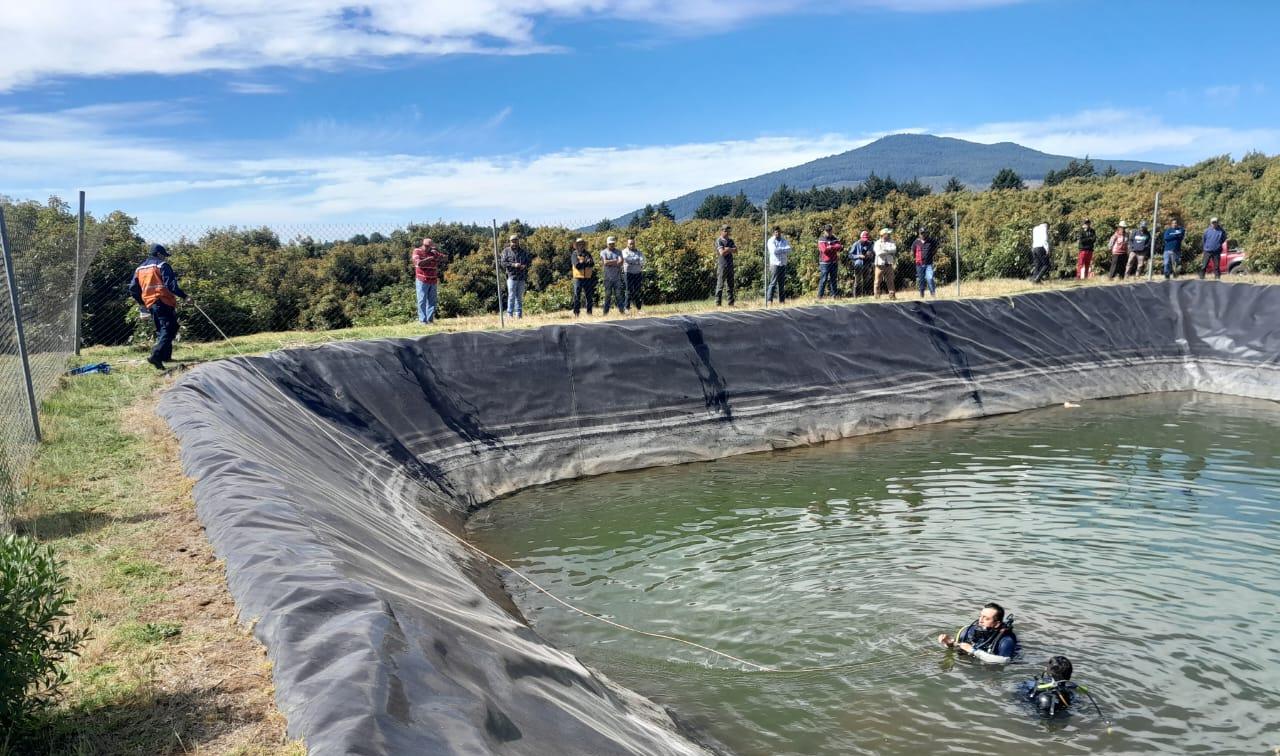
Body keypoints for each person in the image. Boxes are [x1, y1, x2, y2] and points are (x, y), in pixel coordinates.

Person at [128, 243, 189, 370]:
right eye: (164, 255)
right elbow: (171, 285)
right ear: (159, 254)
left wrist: (142, 303)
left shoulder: (139, 269)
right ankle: (156, 355)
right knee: (169, 328)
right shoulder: (162, 265)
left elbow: (133, 288)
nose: (165, 258)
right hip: (163, 300)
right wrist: (185, 297)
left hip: (150, 302)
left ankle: (166, 356)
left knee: (163, 328)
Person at [937, 602, 1019, 663]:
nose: (980, 620)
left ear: (997, 624)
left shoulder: (1006, 641)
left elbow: (1004, 661)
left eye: (986, 618)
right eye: (981, 616)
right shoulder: (967, 631)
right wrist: (949, 643)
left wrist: (974, 651)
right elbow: (958, 648)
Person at [411, 237, 445, 324]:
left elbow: (445, 258)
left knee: (432, 301)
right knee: (422, 300)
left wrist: (437, 254)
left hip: (433, 280)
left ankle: (430, 320)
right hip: (422, 280)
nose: (427, 248)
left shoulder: (433, 252)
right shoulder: (417, 251)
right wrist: (429, 258)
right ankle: (423, 321)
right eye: (426, 246)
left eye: (429, 246)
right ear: (423, 245)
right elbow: (419, 263)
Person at [500, 233, 532, 318]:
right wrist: (514, 265)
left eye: (515, 241)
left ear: (518, 241)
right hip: (511, 277)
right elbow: (503, 263)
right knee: (511, 296)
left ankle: (519, 315)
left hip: (521, 277)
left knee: (519, 297)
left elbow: (528, 261)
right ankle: (509, 314)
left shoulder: (523, 251)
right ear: (510, 242)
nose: (514, 243)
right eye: (512, 241)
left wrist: (524, 265)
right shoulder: (506, 251)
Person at [570, 238, 597, 316]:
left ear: (584, 245)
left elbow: (592, 263)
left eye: (582, 244)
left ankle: (589, 313)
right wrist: (586, 262)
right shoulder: (574, 254)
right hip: (577, 278)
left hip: (587, 278)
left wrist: (582, 262)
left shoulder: (588, 253)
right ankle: (576, 313)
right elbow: (577, 265)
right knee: (577, 296)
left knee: (589, 296)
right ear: (576, 246)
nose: (581, 245)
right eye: (579, 244)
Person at [600, 236, 626, 315]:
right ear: (607, 244)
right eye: (610, 244)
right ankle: (605, 313)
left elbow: (621, 262)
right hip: (607, 278)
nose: (611, 245)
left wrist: (610, 262)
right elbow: (605, 262)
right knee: (608, 296)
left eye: (613, 243)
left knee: (619, 296)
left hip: (617, 278)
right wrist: (615, 261)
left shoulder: (619, 251)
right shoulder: (603, 252)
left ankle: (622, 312)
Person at [766, 226, 792, 304]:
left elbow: (789, 250)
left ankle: (782, 301)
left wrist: (780, 249)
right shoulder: (771, 241)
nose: (778, 233)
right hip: (775, 264)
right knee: (773, 282)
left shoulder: (784, 240)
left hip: (783, 263)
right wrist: (783, 249)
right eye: (776, 232)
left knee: (782, 284)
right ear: (773, 233)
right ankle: (769, 300)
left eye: (779, 232)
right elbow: (774, 251)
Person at [817, 224, 843, 298]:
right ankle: (819, 297)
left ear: (832, 230)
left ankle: (834, 296)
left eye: (830, 230)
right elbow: (824, 250)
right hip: (824, 263)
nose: (828, 232)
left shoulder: (835, 238)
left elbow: (840, 247)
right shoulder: (821, 239)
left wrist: (830, 247)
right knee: (823, 279)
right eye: (827, 231)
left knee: (833, 280)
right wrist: (834, 247)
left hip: (834, 262)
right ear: (824, 231)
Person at [872, 228, 898, 300]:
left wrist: (884, 250)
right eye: (887, 233)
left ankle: (892, 296)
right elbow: (878, 253)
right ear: (883, 234)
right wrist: (888, 251)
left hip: (889, 264)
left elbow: (894, 250)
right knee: (877, 281)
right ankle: (877, 296)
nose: (889, 235)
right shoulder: (877, 243)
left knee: (890, 281)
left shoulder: (891, 241)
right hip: (879, 265)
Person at [715, 224, 737, 307]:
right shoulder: (719, 241)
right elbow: (722, 253)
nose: (727, 233)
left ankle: (731, 303)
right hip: (722, 265)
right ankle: (718, 304)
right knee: (720, 285)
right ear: (721, 231)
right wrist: (730, 249)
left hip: (730, 265)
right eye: (725, 231)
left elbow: (736, 250)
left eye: (728, 231)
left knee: (730, 285)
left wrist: (728, 249)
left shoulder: (731, 241)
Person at [912, 227, 938, 297]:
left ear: (926, 233)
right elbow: (913, 252)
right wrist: (917, 258)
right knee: (921, 280)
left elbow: (935, 250)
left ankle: (933, 294)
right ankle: (922, 294)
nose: (923, 235)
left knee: (930, 278)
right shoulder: (916, 242)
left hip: (928, 264)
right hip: (919, 264)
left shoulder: (931, 241)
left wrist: (930, 256)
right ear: (919, 234)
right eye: (921, 233)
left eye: (924, 233)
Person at [848, 230, 874, 297]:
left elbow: (872, 254)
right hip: (858, 265)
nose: (865, 240)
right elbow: (850, 255)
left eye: (866, 238)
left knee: (866, 280)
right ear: (860, 237)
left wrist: (870, 255)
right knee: (858, 281)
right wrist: (859, 256)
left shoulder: (870, 244)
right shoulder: (856, 244)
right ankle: (856, 296)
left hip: (867, 264)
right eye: (864, 238)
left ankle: (864, 295)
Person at [622, 237, 645, 312]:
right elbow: (626, 258)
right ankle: (626, 308)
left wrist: (633, 261)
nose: (632, 245)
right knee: (628, 291)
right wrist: (636, 260)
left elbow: (642, 261)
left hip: (638, 273)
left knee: (637, 291)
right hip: (628, 273)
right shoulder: (624, 251)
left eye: (633, 243)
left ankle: (639, 309)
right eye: (630, 243)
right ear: (627, 244)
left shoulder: (639, 252)